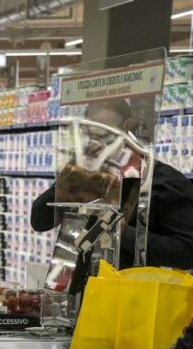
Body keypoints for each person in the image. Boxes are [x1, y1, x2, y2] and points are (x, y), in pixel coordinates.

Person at [30, 99, 193, 270]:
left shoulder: (163, 181)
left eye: (104, 131)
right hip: (84, 282)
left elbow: (187, 251)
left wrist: (124, 233)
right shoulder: (83, 174)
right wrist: (69, 176)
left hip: (135, 284)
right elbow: (40, 221)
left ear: (127, 127)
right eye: (90, 131)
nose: (96, 140)